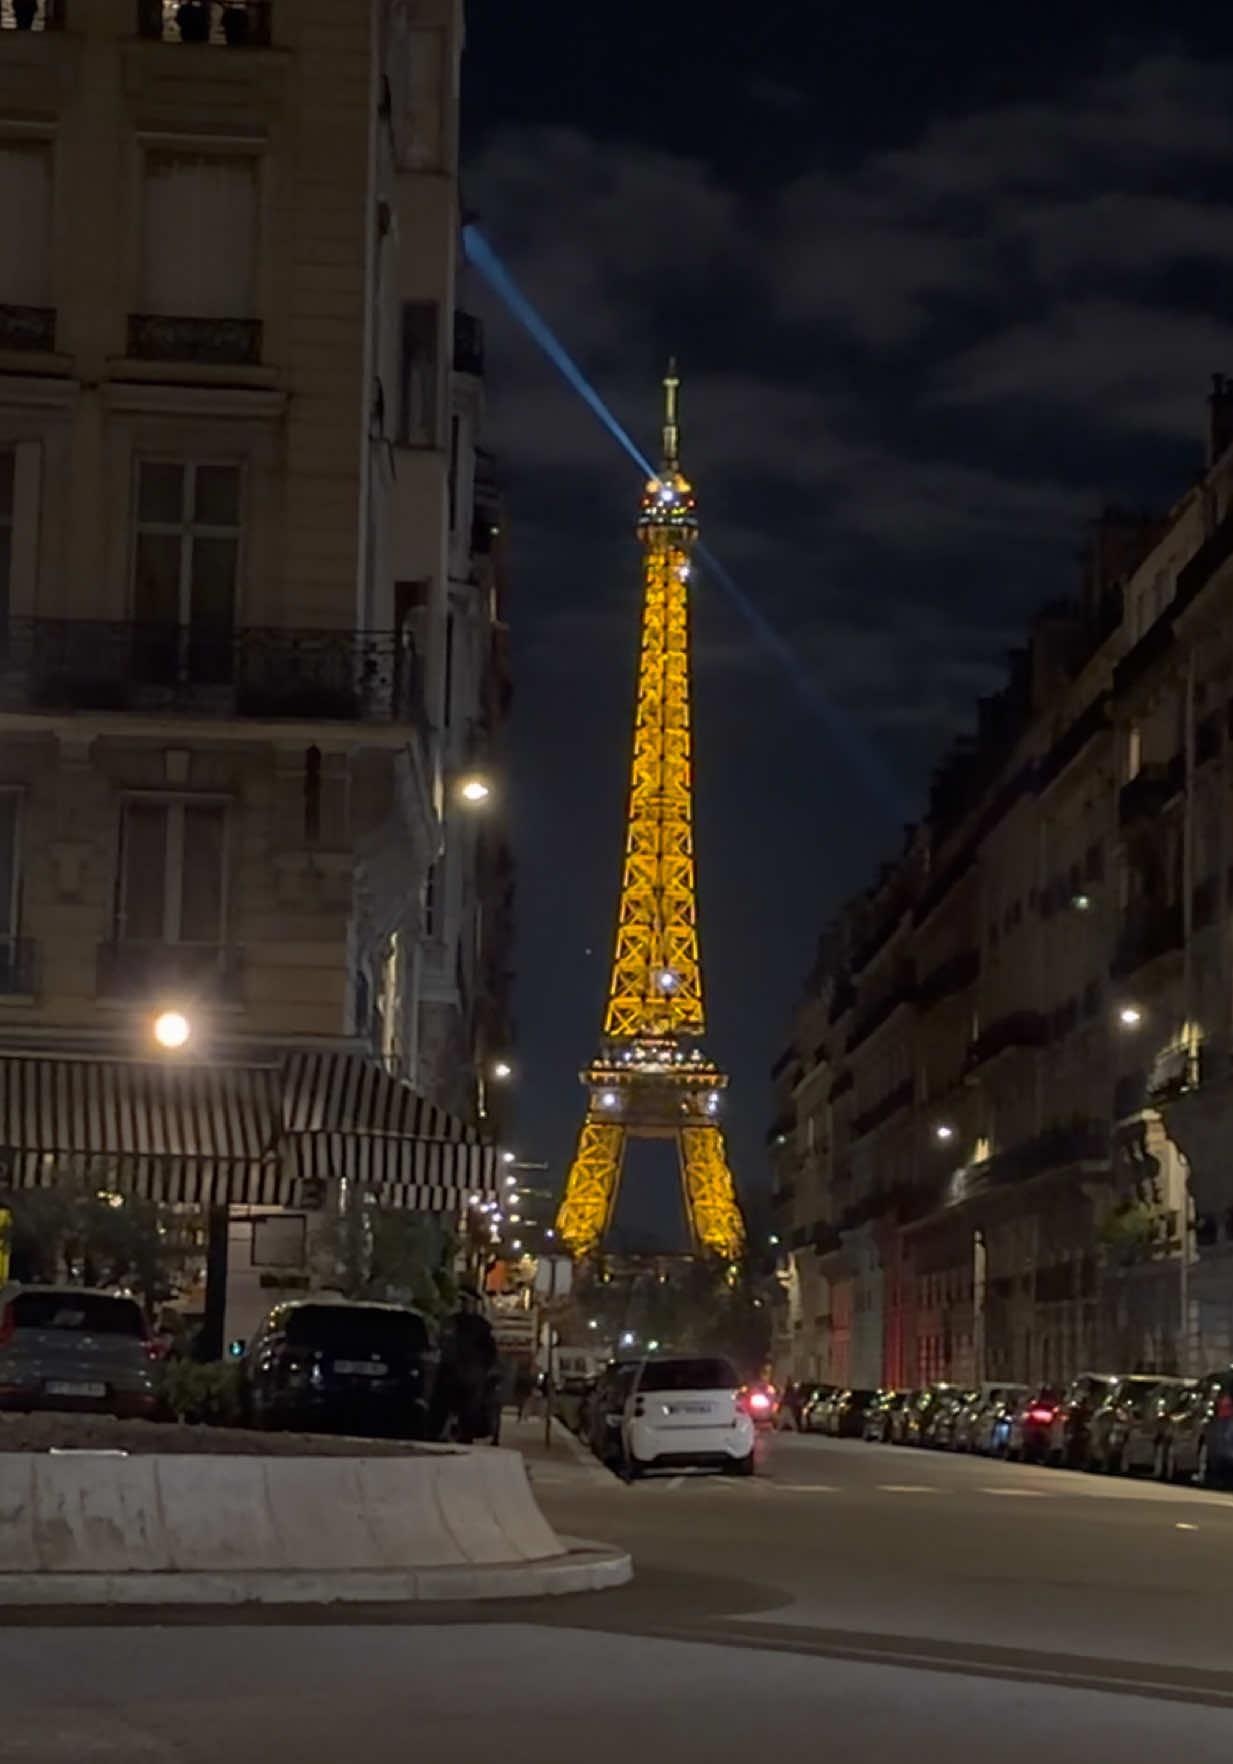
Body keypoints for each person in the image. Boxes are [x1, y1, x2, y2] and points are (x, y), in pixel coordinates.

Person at [435, 1290, 499, 1443]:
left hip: (472, 1371)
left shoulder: (481, 1326)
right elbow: (442, 1342)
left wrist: (484, 1368)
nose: (465, 1305)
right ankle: (444, 1432)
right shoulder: (452, 1322)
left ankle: (466, 1435)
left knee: (470, 1407)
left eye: (468, 1302)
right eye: (463, 1302)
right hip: (453, 1370)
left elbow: (490, 1351)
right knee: (445, 1403)